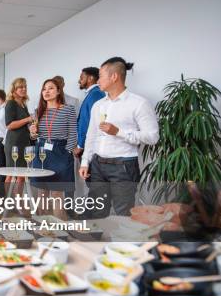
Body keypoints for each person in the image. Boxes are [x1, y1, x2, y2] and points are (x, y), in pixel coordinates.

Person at [79, 57, 159, 217]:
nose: (97, 80)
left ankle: (121, 243)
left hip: (124, 167)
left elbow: (153, 137)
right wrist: (85, 162)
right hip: (97, 166)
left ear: (114, 76)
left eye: (101, 76)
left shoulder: (139, 103)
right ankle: (95, 242)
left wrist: (119, 132)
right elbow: (91, 135)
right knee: (96, 213)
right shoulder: (99, 105)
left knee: (123, 214)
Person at [29, 79, 77, 219]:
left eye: (50, 88)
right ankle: (42, 229)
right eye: (44, 89)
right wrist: (32, 132)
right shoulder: (38, 111)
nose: (46, 91)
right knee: (41, 193)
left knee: (57, 193)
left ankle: (61, 231)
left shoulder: (68, 109)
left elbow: (73, 134)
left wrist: (66, 152)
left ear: (58, 91)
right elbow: (34, 137)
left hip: (60, 152)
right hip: (42, 151)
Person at [4, 78, 34, 200]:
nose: (23, 89)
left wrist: (31, 127)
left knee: (22, 175)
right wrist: (27, 120)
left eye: (25, 86)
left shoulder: (23, 104)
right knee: (11, 174)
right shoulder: (11, 103)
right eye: (20, 87)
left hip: (24, 143)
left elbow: (24, 124)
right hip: (14, 143)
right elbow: (9, 125)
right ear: (14, 90)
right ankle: (7, 200)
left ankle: (18, 201)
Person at [75, 67, 106, 159]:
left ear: (90, 78)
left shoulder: (96, 94)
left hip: (90, 146)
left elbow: (90, 121)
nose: (79, 80)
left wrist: (80, 145)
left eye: (81, 77)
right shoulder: (92, 93)